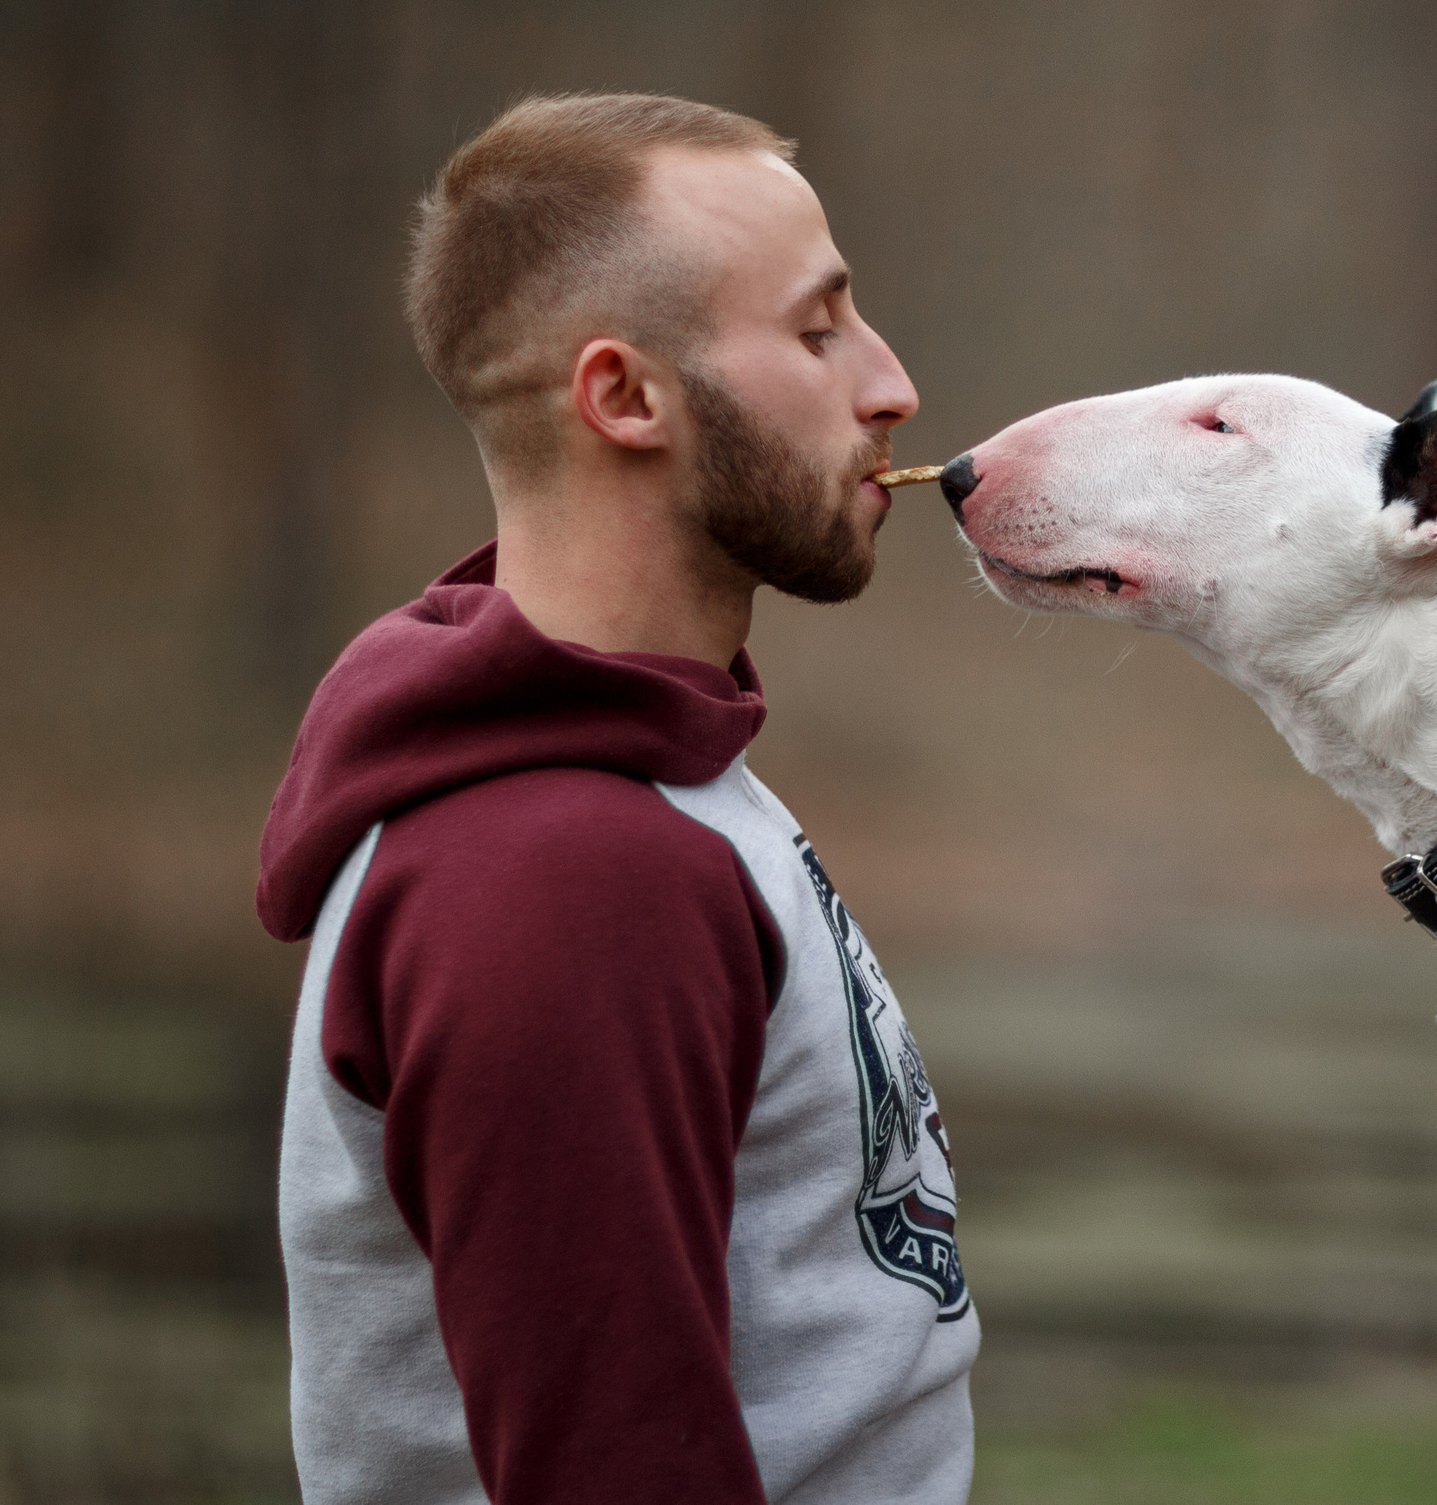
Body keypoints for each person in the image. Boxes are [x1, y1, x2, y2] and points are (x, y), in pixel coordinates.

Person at [254, 93, 975, 1505]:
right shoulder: (564, 877)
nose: (891, 386)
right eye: (818, 330)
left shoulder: (662, 789)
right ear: (627, 399)